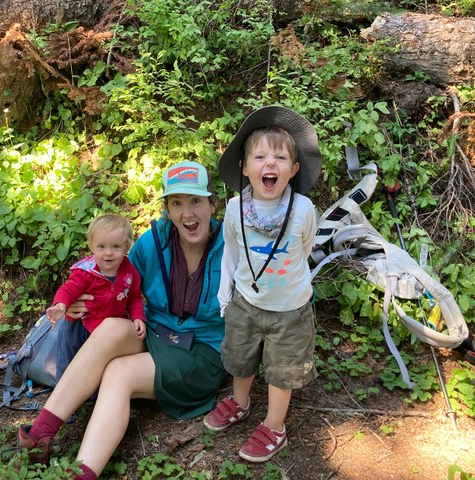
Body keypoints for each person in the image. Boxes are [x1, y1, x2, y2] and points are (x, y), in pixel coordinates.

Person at [17, 160, 226, 479]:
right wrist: (76, 303)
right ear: (167, 209)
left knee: (118, 373)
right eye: (177, 203)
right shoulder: (154, 242)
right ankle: (42, 432)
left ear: (212, 204)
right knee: (113, 326)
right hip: (156, 335)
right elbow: (110, 276)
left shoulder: (232, 245)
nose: (187, 213)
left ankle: (82, 473)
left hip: (200, 353)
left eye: (196, 201)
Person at [204, 105, 323, 463]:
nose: (269, 163)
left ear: (293, 169)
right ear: (244, 167)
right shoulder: (235, 209)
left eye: (280, 157)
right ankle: (240, 401)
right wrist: (227, 294)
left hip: (290, 309)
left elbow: (305, 249)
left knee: (282, 367)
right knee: (241, 356)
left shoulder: (303, 209)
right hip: (246, 302)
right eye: (259, 156)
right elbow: (234, 253)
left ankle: (275, 425)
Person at [46, 214, 146, 381]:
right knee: (71, 361)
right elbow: (69, 289)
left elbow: (135, 298)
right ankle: (65, 394)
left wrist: (138, 318)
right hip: (80, 326)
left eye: (116, 246)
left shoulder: (130, 272)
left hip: (110, 329)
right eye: (101, 247)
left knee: (102, 363)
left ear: (127, 247)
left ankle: (94, 395)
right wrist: (61, 306)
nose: (108, 253)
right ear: (92, 246)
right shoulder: (86, 271)